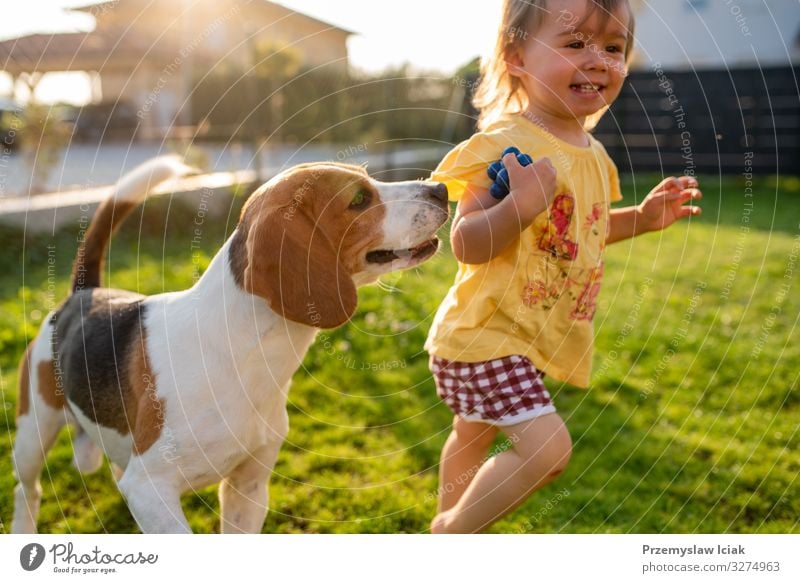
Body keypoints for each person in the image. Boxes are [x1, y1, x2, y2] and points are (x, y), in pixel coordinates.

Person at [426, 0, 702, 533]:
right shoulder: (502, 146)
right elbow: (466, 242)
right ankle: (450, 537)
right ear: (517, 58)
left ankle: (449, 519)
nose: (598, 60)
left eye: (614, 48)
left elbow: (586, 229)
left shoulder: (595, 155)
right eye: (575, 43)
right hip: (484, 334)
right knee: (547, 450)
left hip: (519, 338)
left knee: (472, 434)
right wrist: (517, 207)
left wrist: (641, 219)